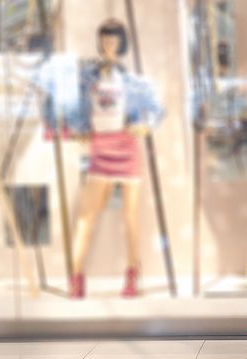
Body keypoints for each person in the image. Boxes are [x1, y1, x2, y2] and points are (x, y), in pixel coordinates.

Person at [44, 19, 163, 298]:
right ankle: (76, 277)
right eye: (105, 40)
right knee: (86, 216)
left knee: (130, 216)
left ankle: (132, 274)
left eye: (114, 40)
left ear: (122, 43)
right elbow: (64, 101)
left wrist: (145, 125)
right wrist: (76, 128)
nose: (109, 45)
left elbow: (157, 109)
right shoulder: (88, 76)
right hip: (100, 147)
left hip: (126, 146)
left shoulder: (131, 80)